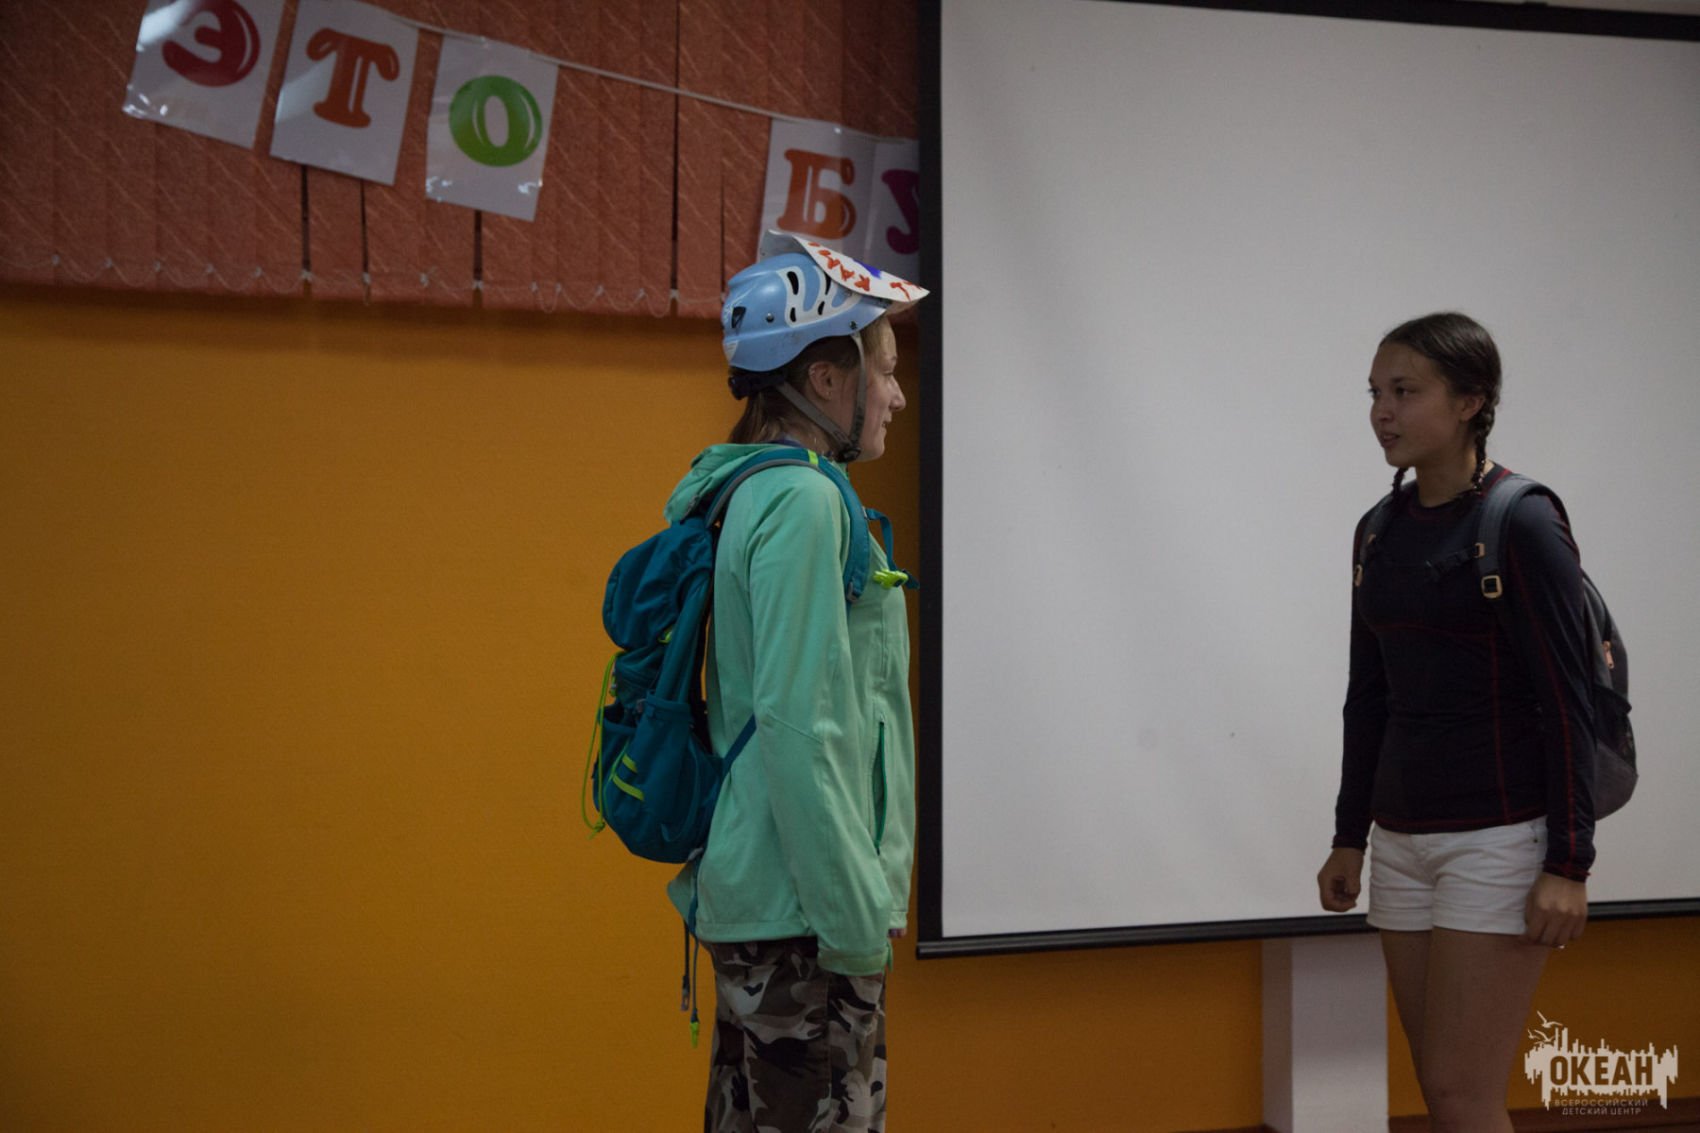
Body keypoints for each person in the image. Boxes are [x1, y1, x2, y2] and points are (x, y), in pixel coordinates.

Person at [663, 231, 927, 1133]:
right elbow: (799, 726)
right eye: (883, 370)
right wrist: (855, 919)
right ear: (824, 377)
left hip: (768, 902)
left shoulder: (752, 488)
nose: (896, 393)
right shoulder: (805, 502)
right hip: (804, 916)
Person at [1316, 312, 1595, 1133]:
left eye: (1405, 391)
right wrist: (1350, 835)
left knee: (1460, 1090)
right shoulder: (1378, 529)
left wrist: (1569, 862)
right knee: (1442, 1091)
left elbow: (1568, 699)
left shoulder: (1522, 518)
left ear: (1471, 401)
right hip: (1403, 841)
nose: (1382, 411)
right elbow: (1369, 694)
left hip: (1497, 840)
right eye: (1375, 392)